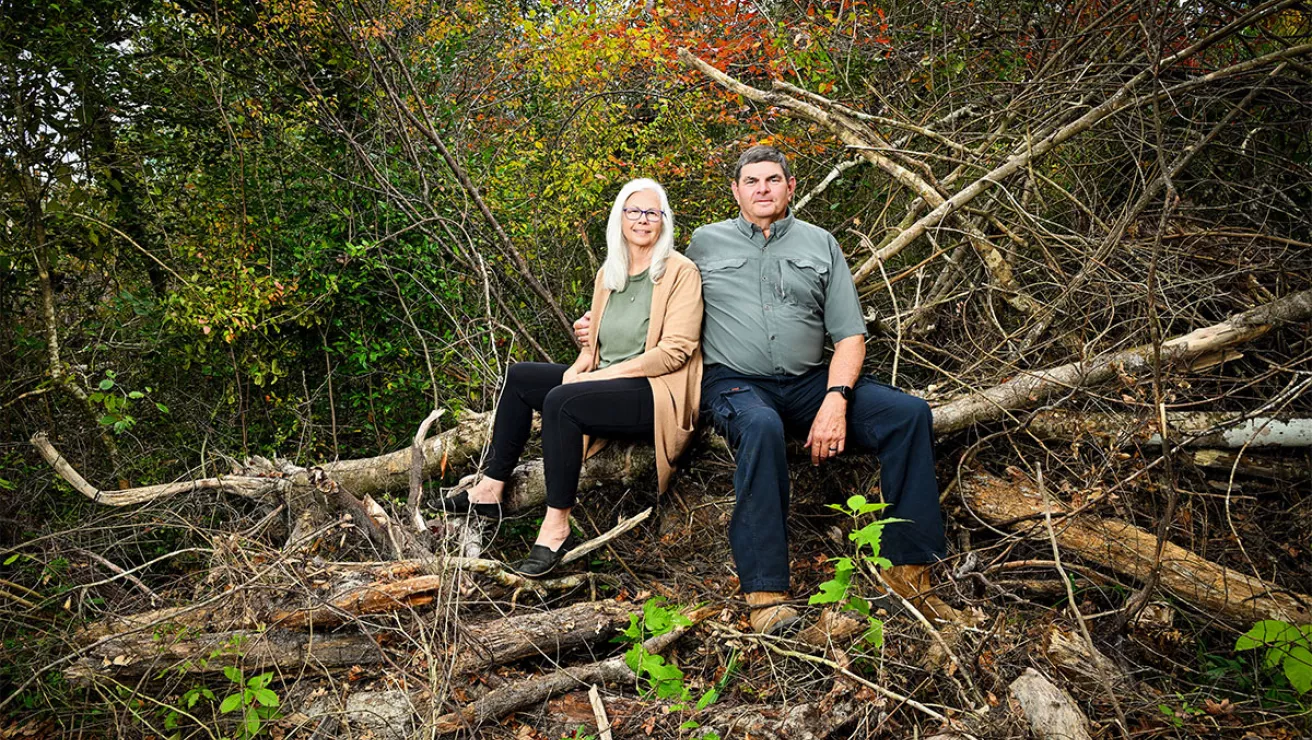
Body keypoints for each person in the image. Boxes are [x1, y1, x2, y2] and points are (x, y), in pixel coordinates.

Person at [576, 146, 958, 634]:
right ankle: (767, 594)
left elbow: (849, 337)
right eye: (751, 181)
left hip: (809, 382)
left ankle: (911, 575)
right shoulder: (703, 246)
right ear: (735, 191)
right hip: (732, 381)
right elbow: (650, 296)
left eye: (772, 180)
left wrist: (835, 400)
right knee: (760, 426)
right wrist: (599, 325)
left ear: (790, 186)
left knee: (909, 415)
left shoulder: (821, 244)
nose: (762, 189)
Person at [437, 178, 703, 578]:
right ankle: (491, 487)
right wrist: (581, 370)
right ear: (620, 218)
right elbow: (592, 348)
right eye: (634, 211)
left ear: (665, 221)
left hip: (655, 392)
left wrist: (595, 379)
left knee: (562, 402)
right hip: (607, 381)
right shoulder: (609, 273)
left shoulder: (680, 271)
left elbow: (675, 351)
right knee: (521, 377)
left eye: (653, 212)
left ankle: (556, 525)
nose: (643, 220)